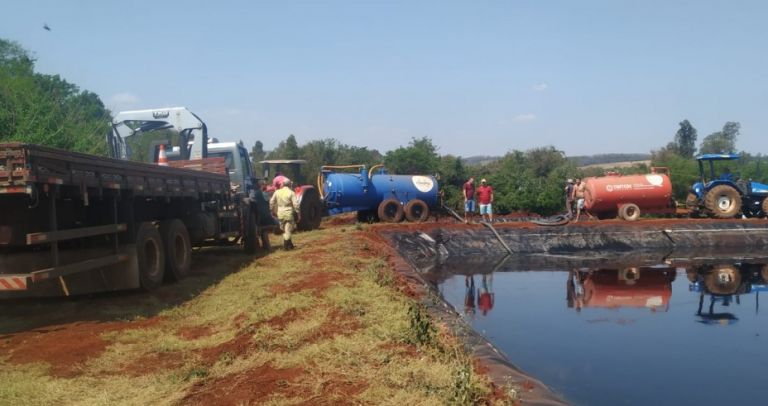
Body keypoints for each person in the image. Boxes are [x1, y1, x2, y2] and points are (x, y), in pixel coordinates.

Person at [269, 177, 300, 250]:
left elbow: (271, 202)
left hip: (280, 213)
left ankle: (290, 245)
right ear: (289, 184)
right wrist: (298, 213)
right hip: (288, 213)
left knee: (285, 230)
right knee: (288, 230)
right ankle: (286, 247)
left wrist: (271, 210)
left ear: (283, 184)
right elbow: (296, 205)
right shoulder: (291, 192)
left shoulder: (277, 192)